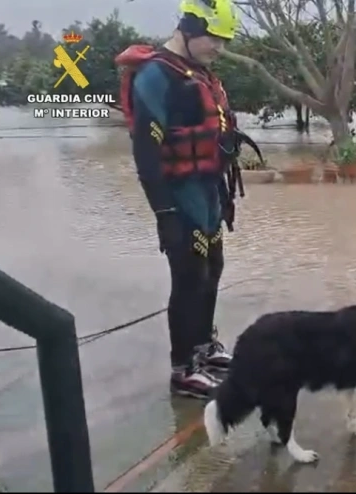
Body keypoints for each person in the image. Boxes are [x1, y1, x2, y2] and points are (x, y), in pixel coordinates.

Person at [114, 0, 242, 399]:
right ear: (188, 28)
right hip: (179, 196)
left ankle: (204, 348)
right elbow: (146, 155)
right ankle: (183, 367)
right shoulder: (155, 76)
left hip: (208, 191)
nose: (218, 48)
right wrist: (164, 213)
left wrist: (222, 193)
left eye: (223, 41)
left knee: (212, 269)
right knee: (188, 278)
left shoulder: (199, 73)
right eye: (213, 39)